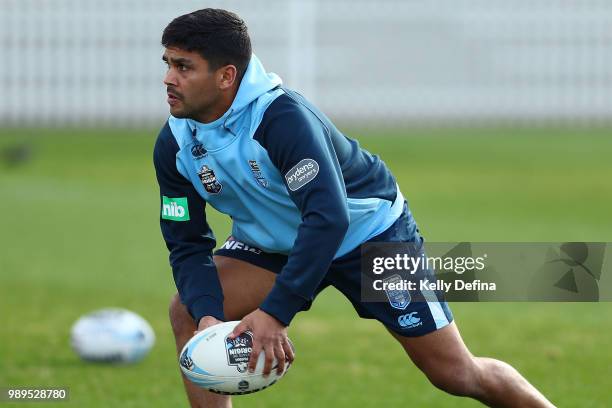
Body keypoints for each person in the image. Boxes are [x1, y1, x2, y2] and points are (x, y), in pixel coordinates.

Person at [154, 8, 555, 408]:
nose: (169, 79)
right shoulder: (174, 144)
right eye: (168, 64)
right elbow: (187, 242)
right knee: (189, 310)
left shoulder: (283, 120)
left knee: (455, 374)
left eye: (184, 67)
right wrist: (210, 319)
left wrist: (275, 314)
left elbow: (328, 218)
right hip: (275, 246)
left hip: (368, 236)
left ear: (226, 76)